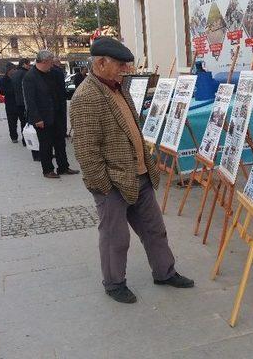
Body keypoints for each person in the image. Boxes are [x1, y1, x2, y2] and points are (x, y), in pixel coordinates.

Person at [70, 36, 194, 304]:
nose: (126, 70)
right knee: (116, 238)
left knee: (154, 229)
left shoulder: (118, 88)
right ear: (101, 63)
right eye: (120, 65)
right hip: (112, 182)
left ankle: (165, 272)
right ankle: (114, 283)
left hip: (140, 176)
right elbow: (86, 151)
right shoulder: (86, 96)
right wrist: (103, 186)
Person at [22, 50, 79, 178]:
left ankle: (63, 167)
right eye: (50, 62)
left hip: (58, 114)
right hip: (42, 117)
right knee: (46, 144)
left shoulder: (55, 73)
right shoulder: (30, 77)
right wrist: (37, 118)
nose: (52, 65)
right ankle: (47, 170)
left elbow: (61, 93)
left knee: (60, 142)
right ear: (43, 62)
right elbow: (30, 101)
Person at [12, 58, 38, 160]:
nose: (29, 66)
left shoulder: (15, 74)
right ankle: (28, 142)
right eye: (28, 64)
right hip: (25, 102)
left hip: (17, 101)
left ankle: (24, 139)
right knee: (29, 123)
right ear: (24, 64)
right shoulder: (27, 74)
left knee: (23, 122)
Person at [0, 63, 19, 143]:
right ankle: (14, 137)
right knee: (12, 121)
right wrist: (13, 91)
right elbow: (2, 92)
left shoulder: (16, 78)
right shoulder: (3, 80)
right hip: (10, 103)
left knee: (22, 120)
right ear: (9, 70)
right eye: (13, 69)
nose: (15, 71)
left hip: (19, 102)